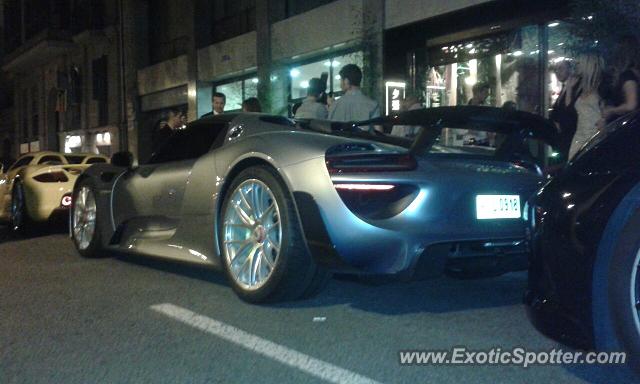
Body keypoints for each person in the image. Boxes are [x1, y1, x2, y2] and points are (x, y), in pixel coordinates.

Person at [567, 53, 605, 159]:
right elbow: (569, 108)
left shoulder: (601, 86)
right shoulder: (580, 85)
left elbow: (606, 111)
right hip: (579, 135)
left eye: (579, 63)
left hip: (595, 134)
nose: (576, 65)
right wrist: (569, 88)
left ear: (587, 65)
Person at [601, 35, 640, 125]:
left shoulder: (628, 75)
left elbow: (631, 105)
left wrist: (611, 110)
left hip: (629, 126)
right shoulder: (635, 73)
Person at [328, 64, 380, 129]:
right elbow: (378, 132)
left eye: (341, 80)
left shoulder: (334, 105)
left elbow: (329, 129)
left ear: (346, 81)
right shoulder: (373, 105)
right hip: (362, 139)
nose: (340, 84)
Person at [549, 59, 580, 158]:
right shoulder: (564, 87)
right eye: (556, 70)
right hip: (561, 135)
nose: (557, 72)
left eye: (561, 69)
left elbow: (569, 110)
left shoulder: (575, 87)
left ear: (570, 70)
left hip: (569, 135)